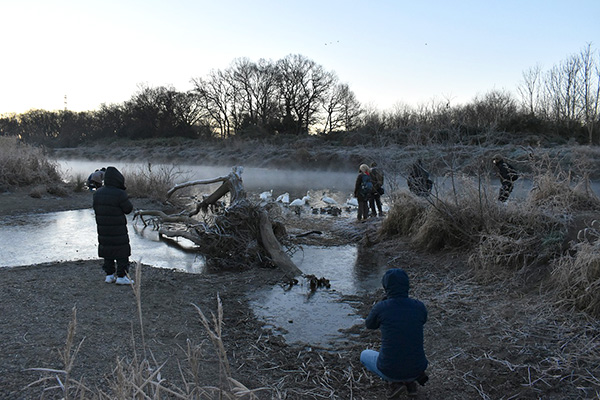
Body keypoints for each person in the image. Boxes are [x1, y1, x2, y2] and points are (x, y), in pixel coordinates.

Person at [360, 268, 429, 398]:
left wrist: (382, 305)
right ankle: (410, 383)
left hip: (390, 369)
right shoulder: (419, 306)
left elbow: (369, 325)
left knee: (364, 355)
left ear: (386, 286)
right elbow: (422, 320)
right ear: (407, 285)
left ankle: (394, 383)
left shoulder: (381, 307)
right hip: (418, 368)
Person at [93, 166, 134, 285]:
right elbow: (128, 209)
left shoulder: (97, 193)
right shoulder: (120, 194)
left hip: (103, 228)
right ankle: (122, 276)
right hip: (118, 228)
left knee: (107, 250)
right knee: (122, 251)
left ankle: (109, 275)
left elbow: (95, 209)